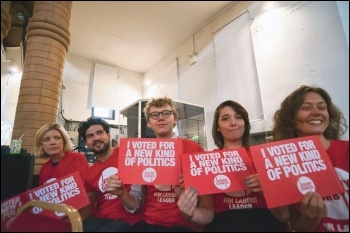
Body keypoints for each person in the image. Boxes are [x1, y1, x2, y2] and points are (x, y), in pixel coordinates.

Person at [108, 96, 214, 232]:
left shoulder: (194, 149)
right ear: (149, 123)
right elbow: (135, 203)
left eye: (166, 113)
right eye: (154, 115)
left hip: (185, 226)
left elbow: (207, 202)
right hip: (150, 225)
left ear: (175, 118)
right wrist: (122, 193)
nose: (160, 118)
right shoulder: (141, 151)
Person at [271, 85, 349, 232]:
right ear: (291, 118)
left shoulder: (346, 150)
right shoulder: (284, 164)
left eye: (321, 107)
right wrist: (310, 218)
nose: (316, 113)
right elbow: (298, 226)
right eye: (306, 108)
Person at [204, 100, 288, 232]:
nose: (233, 123)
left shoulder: (265, 157)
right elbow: (206, 212)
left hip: (264, 223)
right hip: (223, 224)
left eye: (239, 117)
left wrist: (268, 189)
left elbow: (284, 216)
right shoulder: (207, 160)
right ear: (218, 127)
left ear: (245, 123)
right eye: (225, 119)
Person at [77, 117, 145, 232]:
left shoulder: (129, 154)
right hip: (99, 220)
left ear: (108, 135)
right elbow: (87, 209)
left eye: (100, 133)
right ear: (86, 144)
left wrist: (122, 193)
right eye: (90, 136)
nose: (96, 138)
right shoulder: (89, 173)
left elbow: (138, 201)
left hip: (129, 221)